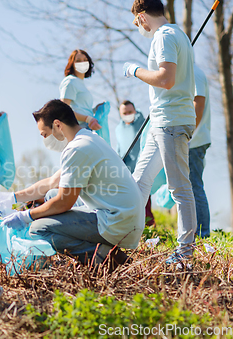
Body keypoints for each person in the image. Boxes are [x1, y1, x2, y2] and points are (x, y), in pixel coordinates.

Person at [0, 100, 144, 270]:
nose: (45, 140)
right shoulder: (88, 138)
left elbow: (64, 203)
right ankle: (101, 250)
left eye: (44, 134)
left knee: (38, 229)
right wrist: (11, 197)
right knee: (51, 195)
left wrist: (26, 216)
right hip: (126, 216)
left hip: (119, 221)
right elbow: (52, 183)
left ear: (57, 125)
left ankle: (108, 258)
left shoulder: (77, 149)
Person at [123, 0, 196, 264]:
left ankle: (185, 254)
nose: (138, 26)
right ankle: (125, 237)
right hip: (161, 121)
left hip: (172, 122)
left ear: (142, 17)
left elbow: (166, 79)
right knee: (139, 181)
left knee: (179, 189)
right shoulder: (179, 34)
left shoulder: (163, 37)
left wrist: (135, 70)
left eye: (136, 21)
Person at [116, 100, 155, 226]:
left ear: (135, 111)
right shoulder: (119, 129)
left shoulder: (141, 122)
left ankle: (149, 226)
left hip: (143, 168)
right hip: (127, 172)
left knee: (145, 201)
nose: (128, 114)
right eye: (125, 112)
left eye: (130, 112)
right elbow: (119, 148)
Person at [190, 64, 211, 238]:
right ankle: (196, 233)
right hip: (194, 140)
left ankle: (203, 234)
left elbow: (199, 104)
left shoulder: (194, 72)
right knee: (191, 188)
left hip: (194, 141)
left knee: (195, 187)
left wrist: (187, 135)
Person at [59, 49, 102, 131]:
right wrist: (88, 119)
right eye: (78, 61)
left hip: (85, 129)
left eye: (85, 60)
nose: (82, 63)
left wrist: (94, 110)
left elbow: (80, 108)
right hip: (76, 131)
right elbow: (63, 111)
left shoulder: (80, 83)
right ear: (72, 64)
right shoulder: (70, 81)